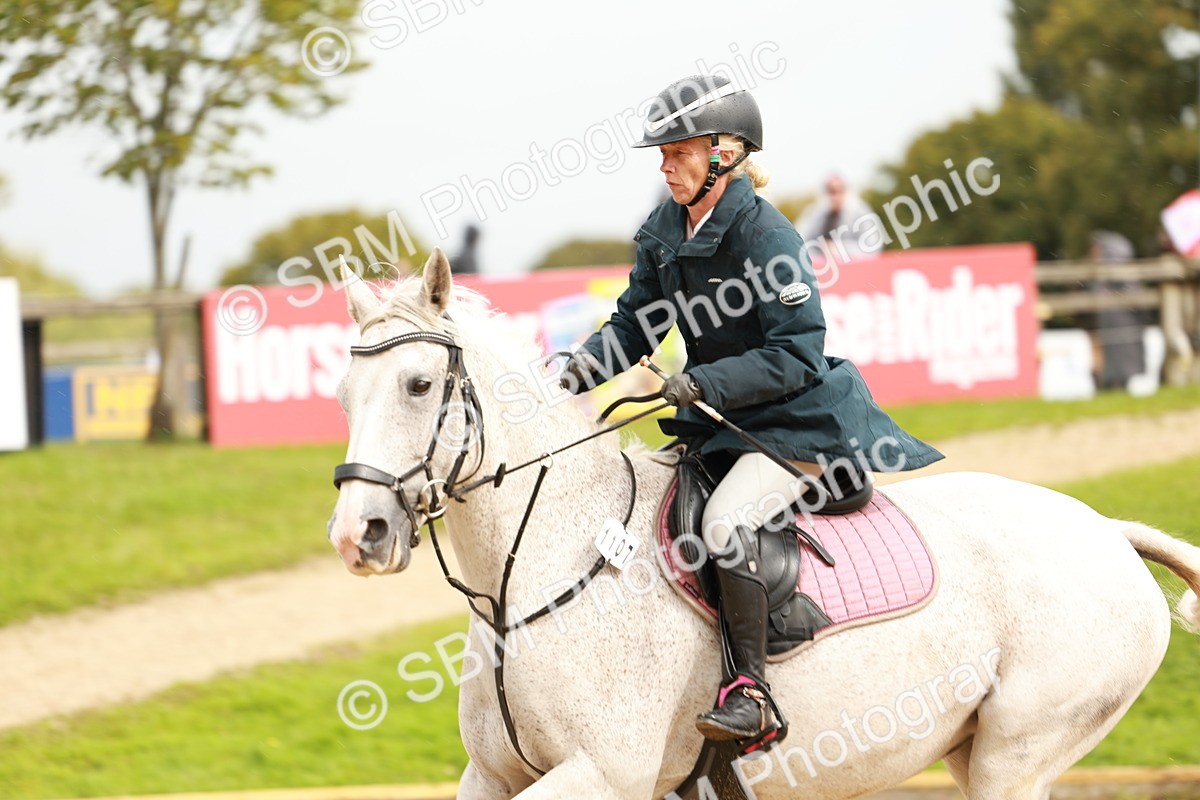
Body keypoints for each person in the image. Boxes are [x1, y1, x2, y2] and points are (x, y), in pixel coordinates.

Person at [556, 74, 943, 744]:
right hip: (723, 424)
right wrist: (569, 376)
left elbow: (797, 353)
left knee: (726, 519)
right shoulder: (663, 230)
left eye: (677, 149)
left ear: (723, 155)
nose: (663, 161)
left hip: (797, 424)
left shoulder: (768, 236)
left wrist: (702, 383)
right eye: (663, 150)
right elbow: (633, 327)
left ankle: (752, 693)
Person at [1086, 230, 1146, 391]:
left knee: (1117, 378)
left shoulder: (1114, 278)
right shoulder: (1100, 279)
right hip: (1112, 338)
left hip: (1118, 337)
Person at [793, 172, 882, 264]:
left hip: (856, 269)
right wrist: (819, 253)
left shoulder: (860, 212)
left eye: (839, 190)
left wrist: (839, 249)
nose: (835, 197)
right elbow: (799, 241)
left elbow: (873, 248)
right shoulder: (815, 213)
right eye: (831, 191)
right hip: (823, 269)